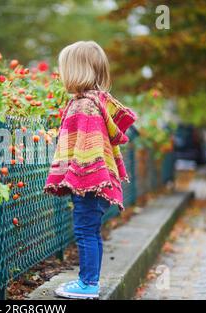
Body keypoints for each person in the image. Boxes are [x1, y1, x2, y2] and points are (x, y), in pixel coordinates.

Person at [44, 41, 137, 299]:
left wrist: (81, 176)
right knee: (91, 231)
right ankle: (90, 281)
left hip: (88, 182)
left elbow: (88, 147)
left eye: (64, 69)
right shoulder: (96, 102)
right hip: (96, 180)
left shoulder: (84, 105)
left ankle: (87, 285)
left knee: (85, 231)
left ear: (76, 71)